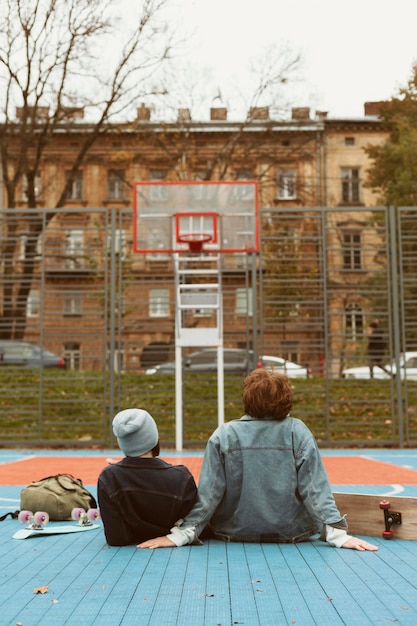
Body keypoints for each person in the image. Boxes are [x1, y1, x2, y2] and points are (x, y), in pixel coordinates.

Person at [138, 369, 377, 552]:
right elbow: (314, 490)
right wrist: (337, 534)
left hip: (232, 532)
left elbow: (210, 494)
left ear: (246, 398)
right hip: (290, 533)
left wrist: (181, 534)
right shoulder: (298, 432)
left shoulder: (224, 434)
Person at [98, 408, 198, 546]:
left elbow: (117, 539)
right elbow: (193, 524)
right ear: (154, 438)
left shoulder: (109, 478)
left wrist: (120, 471)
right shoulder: (181, 478)